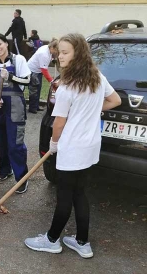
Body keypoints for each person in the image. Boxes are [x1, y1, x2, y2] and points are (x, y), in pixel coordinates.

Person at [24, 33, 121, 258]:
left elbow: (59, 122)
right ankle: (82, 243)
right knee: (80, 193)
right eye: (59, 52)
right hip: (90, 146)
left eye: (66, 52)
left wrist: (54, 143)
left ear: (79, 54)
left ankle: (51, 240)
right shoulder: (97, 76)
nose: (60, 57)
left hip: (71, 147)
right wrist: (91, 110)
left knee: (65, 195)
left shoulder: (66, 86)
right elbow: (115, 100)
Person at [0, 33, 31, 193]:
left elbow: (27, 80)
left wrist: (11, 76)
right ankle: (5, 170)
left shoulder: (19, 60)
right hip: (0, 108)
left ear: (6, 43)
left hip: (16, 107)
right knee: (2, 142)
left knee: (15, 145)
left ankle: (22, 179)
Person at [27, 38, 59, 114]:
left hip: (38, 71)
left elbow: (49, 58)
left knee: (38, 89)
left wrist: (53, 59)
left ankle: (36, 106)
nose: (56, 53)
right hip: (33, 71)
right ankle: (32, 108)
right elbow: (44, 70)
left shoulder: (47, 49)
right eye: (56, 51)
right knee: (34, 90)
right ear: (52, 48)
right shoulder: (44, 54)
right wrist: (51, 81)